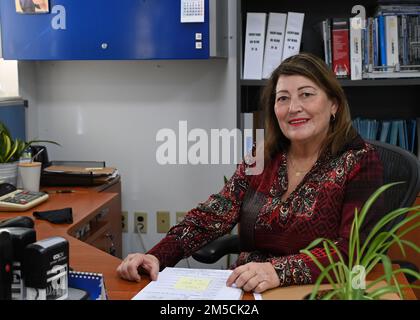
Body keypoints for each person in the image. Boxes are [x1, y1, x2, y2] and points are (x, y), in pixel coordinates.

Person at [117, 53, 384, 293]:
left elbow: (352, 250)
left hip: (315, 290)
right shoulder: (261, 157)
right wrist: (156, 256)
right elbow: (212, 215)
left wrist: (277, 271)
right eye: (283, 98)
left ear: (334, 104)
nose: (293, 108)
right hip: (244, 288)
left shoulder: (359, 161)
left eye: (306, 94)